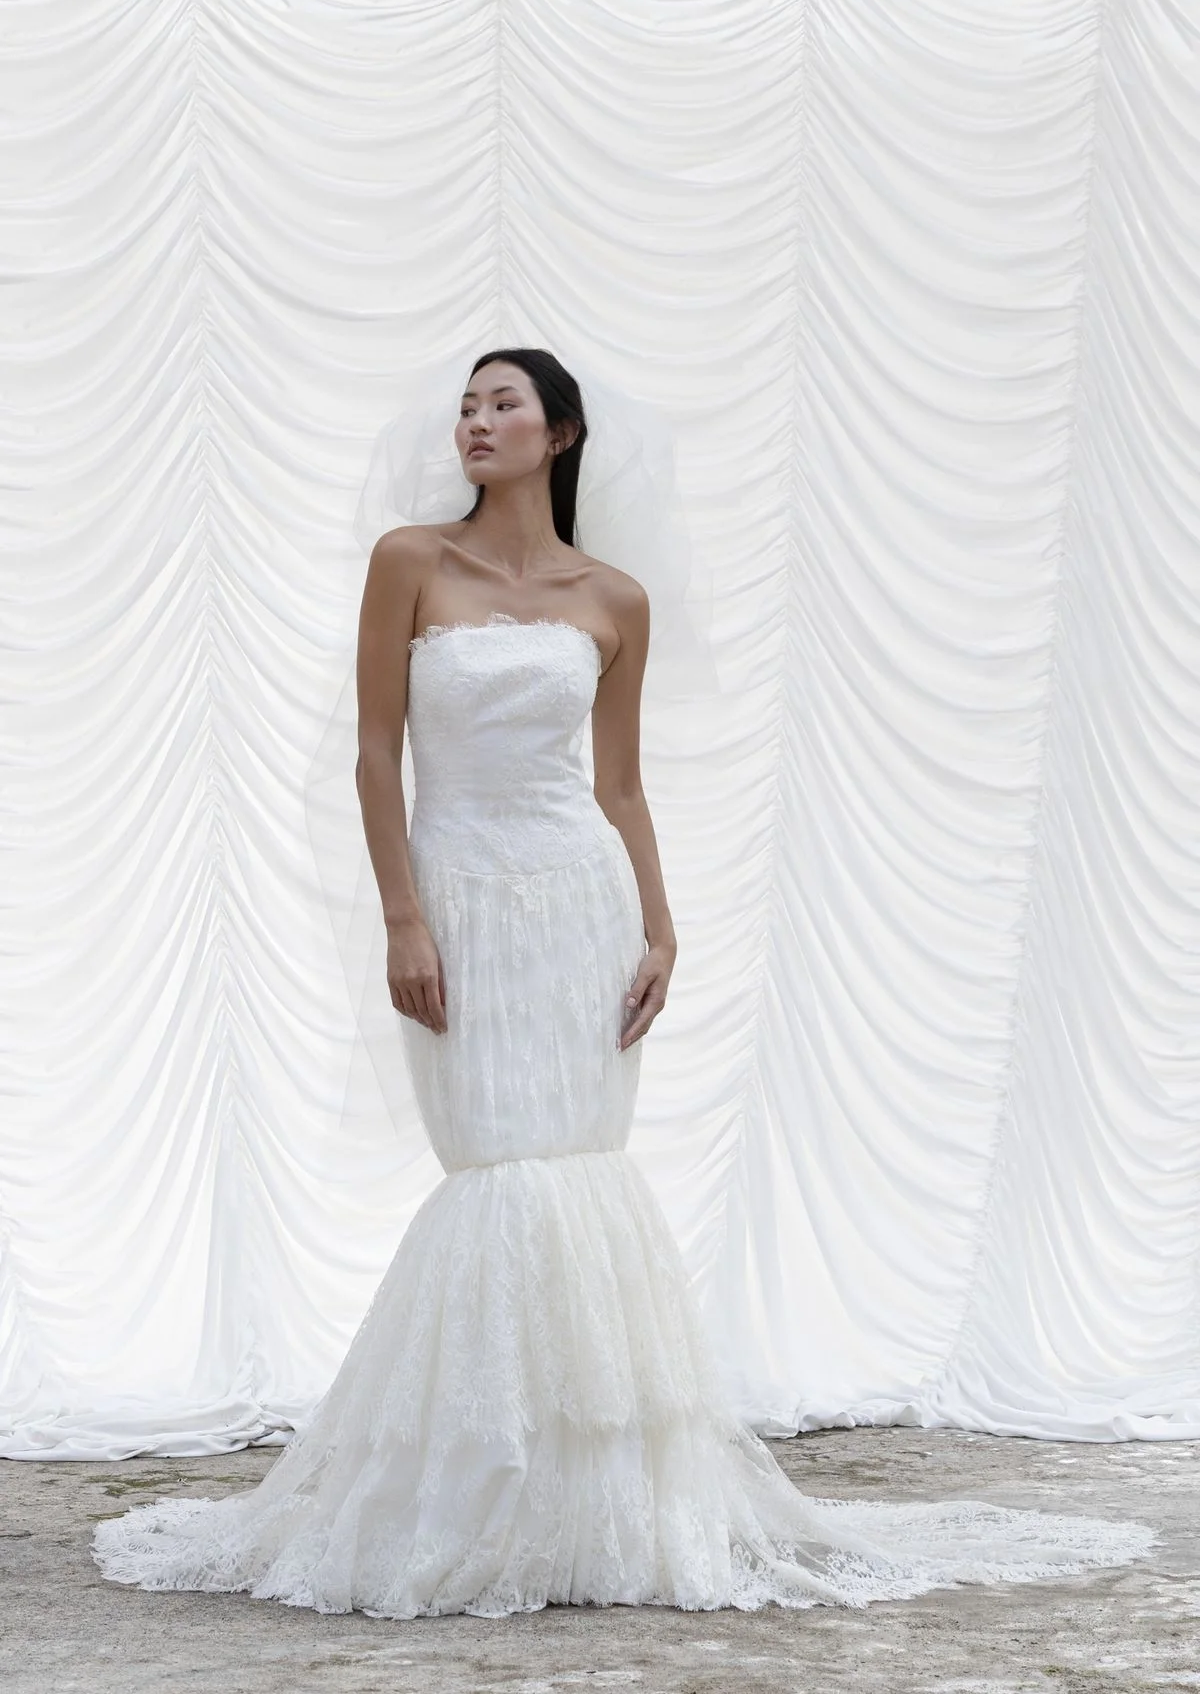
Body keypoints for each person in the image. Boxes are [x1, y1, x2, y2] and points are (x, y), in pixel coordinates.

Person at [93, 347, 1154, 1617]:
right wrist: (402, 917)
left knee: (576, 1169)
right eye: (467, 405)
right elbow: (376, 755)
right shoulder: (410, 560)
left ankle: (594, 1511)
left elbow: (622, 785)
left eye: (503, 405)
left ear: (560, 433)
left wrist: (660, 926)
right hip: (462, 899)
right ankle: (472, 1494)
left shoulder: (616, 598)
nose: (475, 421)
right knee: (496, 1166)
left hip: (580, 907)